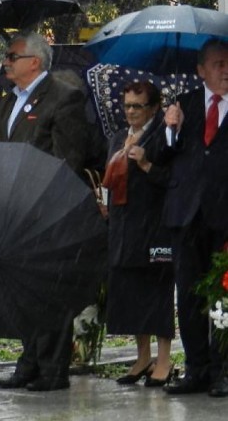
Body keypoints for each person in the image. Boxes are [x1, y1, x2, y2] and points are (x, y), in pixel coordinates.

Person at [0, 31, 90, 391]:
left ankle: (52, 369)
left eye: (12, 55)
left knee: (49, 289)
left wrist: (42, 195)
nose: (5, 61)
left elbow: (69, 160)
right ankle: (30, 361)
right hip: (13, 209)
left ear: (34, 61)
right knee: (23, 289)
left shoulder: (64, 98)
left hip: (47, 209)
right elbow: (4, 151)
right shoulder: (6, 101)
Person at [160, 39, 228, 398]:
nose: (225, 69)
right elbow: (160, 154)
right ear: (201, 70)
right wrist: (171, 128)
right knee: (187, 295)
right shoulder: (182, 103)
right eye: (218, 64)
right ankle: (196, 368)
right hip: (186, 214)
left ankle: (222, 369)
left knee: (222, 295)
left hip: (223, 213)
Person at [101, 81, 174, 387]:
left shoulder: (162, 137)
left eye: (138, 106)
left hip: (153, 228)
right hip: (122, 226)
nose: (131, 111)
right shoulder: (119, 137)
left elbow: (173, 179)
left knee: (155, 292)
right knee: (130, 292)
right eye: (127, 105)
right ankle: (142, 358)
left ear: (153, 108)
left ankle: (164, 360)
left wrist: (145, 164)